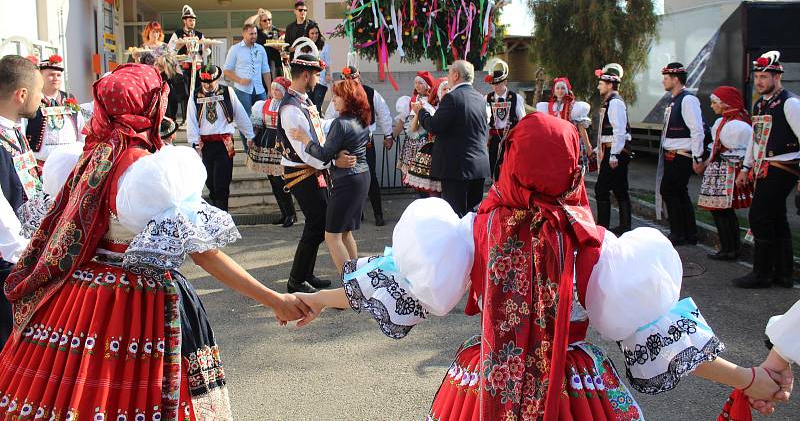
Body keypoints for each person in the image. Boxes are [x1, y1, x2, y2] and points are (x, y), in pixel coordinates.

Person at [294, 113, 789, 420]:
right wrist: (749, 378)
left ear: (508, 161)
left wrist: (315, 298)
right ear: (574, 169)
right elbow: (659, 336)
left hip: (490, 381)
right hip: (571, 390)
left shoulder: (468, 230)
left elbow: (398, 286)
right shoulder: (593, 244)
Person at [0, 63, 311, 418]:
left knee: (78, 395)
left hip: (81, 298)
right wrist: (273, 299)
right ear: (149, 108)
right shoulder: (147, 171)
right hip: (139, 303)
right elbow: (205, 255)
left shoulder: (84, 157)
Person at [277, 52, 356, 293]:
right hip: (301, 171)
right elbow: (304, 151)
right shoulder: (291, 108)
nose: (317, 80)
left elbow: (319, 129)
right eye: (315, 75)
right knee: (317, 222)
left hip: (314, 168)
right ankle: (296, 280)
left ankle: (305, 274)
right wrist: (332, 161)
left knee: (319, 223)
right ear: (305, 75)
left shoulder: (303, 100)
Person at [289, 78, 371, 273]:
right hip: (361, 177)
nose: (333, 100)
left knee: (332, 236)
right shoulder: (361, 120)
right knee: (345, 233)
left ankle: (350, 287)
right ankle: (357, 278)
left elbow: (324, 154)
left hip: (347, 181)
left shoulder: (341, 123)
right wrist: (336, 155)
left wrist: (306, 140)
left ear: (349, 99)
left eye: (338, 96)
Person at [734, 50, 800, 289]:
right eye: (758, 76)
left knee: (759, 216)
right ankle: (782, 274)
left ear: (777, 77)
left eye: (765, 76)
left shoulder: (790, 103)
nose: (760, 81)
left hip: (784, 167)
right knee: (776, 218)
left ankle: (761, 274)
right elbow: (756, 137)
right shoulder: (761, 103)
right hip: (765, 167)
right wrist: (746, 167)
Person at [0, 54, 43, 347]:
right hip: (9, 259)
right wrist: (23, 255)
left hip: (23, 253)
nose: (41, 99)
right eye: (38, 92)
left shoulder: (14, 131)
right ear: (22, 94)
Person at [414, 60, 490, 217]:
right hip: (477, 166)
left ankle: (461, 242)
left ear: (456, 75)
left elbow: (434, 126)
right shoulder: (479, 99)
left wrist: (421, 112)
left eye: (449, 73)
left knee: (456, 216)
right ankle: (472, 242)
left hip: (457, 168)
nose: (447, 77)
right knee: (473, 215)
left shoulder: (452, 98)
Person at [327, 64, 393, 225]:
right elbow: (329, 118)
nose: (350, 81)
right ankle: (357, 213)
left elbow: (383, 112)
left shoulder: (370, 92)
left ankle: (378, 213)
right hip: (347, 146)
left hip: (365, 143)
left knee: (370, 178)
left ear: (359, 76)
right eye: (347, 78)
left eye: (353, 78)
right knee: (350, 178)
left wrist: (388, 134)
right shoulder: (340, 95)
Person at [187, 65, 254, 212]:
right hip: (205, 144)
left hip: (224, 143)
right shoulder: (195, 95)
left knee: (221, 183)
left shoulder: (227, 92)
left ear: (217, 79)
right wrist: (194, 142)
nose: (207, 85)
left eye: (210, 82)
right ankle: (215, 217)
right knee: (210, 182)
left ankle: (223, 216)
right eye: (204, 82)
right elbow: (191, 119)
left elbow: (240, 114)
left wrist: (249, 135)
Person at [697, 86, 753, 261]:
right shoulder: (722, 122)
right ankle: (728, 247)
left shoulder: (738, 124)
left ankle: (731, 248)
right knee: (719, 210)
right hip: (719, 168)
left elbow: (744, 150)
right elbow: (715, 146)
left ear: (725, 104)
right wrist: (706, 163)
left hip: (728, 169)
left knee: (724, 210)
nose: (712, 106)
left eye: (714, 102)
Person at [657, 62, 705, 247]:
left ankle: (679, 233)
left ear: (676, 79)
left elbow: (697, 130)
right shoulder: (675, 100)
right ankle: (688, 233)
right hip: (673, 154)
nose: (663, 81)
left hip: (682, 155)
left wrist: (697, 157)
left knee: (669, 190)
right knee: (678, 192)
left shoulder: (687, 100)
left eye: (666, 78)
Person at [248, 77, 297, 228]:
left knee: (281, 181)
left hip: (281, 144)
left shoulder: (289, 106)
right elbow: (258, 125)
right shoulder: (263, 104)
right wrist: (252, 138)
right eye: (273, 89)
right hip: (268, 143)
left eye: (278, 89)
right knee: (273, 181)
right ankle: (284, 213)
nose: (275, 92)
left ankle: (290, 214)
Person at [23, 54, 85, 166]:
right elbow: (22, 131)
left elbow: (81, 130)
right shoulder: (32, 101)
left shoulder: (69, 99)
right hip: (41, 164)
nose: (56, 78)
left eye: (58, 75)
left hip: (70, 163)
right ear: (40, 77)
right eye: (51, 75)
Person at [594, 63, 632, 235]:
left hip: (616, 152)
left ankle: (603, 228)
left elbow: (619, 130)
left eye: (601, 83)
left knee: (601, 188)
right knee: (619, 188)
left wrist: (614, 154)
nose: (598, 86)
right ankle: (624, 226)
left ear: (610, 84)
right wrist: (598, 148)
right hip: (611, 150)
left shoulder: (615, 103)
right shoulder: (611, 102)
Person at [222, 22, 271, 151]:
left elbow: (265, 70)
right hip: (242, 90)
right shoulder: (235, 49)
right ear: (244, 34)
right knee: (245, 120)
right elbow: (226, 70)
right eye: (251, 34)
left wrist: (269, 89)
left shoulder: (261, 49)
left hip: (260, 89)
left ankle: (260, 147)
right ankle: (248, 150)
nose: (253, 36)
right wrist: (239, 80)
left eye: (255, 33)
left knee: (262, 119)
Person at [537, 76, 593, 170]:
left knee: (573, 171)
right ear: (554, 90)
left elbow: (581, 129)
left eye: (563, 88)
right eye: (557, 88)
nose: (560, 91)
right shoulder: (548, 107)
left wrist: (588, 148)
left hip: (571, 143)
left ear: (567, 90)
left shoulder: (574, 107)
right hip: (555, 144)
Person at [404, 79, 448, 196]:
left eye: (449, 89)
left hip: (446, 153)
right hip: (429, 149)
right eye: (444, 89)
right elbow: (413, 129)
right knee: (431, 192)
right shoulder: (427, 105)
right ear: (438, 92)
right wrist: (419, 112)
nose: (447, 91)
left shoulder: (453, 106)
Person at [394, 71, 435, 189]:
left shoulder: (434, 101)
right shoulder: (411, 100)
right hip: (412, 144)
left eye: (420, 83)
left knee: (427, 180)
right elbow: (402, 121)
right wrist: (391, 137)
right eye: (415, 83)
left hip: (426, 144)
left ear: (427, 85)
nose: (417, 85)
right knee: (415, 180)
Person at [485, 58, 525, 177]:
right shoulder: (487, 98)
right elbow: (485, 119)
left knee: (510, 166)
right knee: (494, 164)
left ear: (505, 82)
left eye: (498, 83)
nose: (496, 87)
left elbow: (522, 119)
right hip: (494, 137)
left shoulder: (515, 97)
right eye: (494, 84)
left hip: (511, 136)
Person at [167, 4, 208, 123]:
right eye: (190, 20)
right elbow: (170, 51)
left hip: (197, 67)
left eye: (194, 20)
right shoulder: (177, 34)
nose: (192, 22)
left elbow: (204, 53)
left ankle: (198, 117)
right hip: (183, 68)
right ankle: (186, 119)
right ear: (184, 21)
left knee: (198, 92)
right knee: (185, 94)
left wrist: (207, 49)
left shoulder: (199, 35)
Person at [138, 21, 181, 120]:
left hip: (164, 78)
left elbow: (171, 61)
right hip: (149, 80)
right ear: (148, 32)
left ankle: (170, 121)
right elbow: (140, 66)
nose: (155, 34)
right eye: (153, 32)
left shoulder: (164, 46)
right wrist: (136, 57)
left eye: (157, 32)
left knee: (171, 100)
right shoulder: (143, 47)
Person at [248, 8, 283, 79]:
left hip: (274, 63)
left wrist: (272, 43)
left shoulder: (274, 31)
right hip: (260, 63)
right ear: (260, 22)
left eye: (269, 19)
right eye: (264, 20)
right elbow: (248, 24)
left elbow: (280, 45)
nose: (267, 22)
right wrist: (257, 15)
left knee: (275, 85)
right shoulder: (257, 31)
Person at [306, 22, 329, 112]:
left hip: (321, 80)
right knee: (309, 105)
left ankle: (318, 124)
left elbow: (327, 63)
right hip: (308, 80)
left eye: (316, 33)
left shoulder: (325, 47)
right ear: (308, 34)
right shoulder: (304, 47)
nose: (314, 35)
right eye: (312, 33)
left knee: (317, 105)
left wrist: (328, 74)